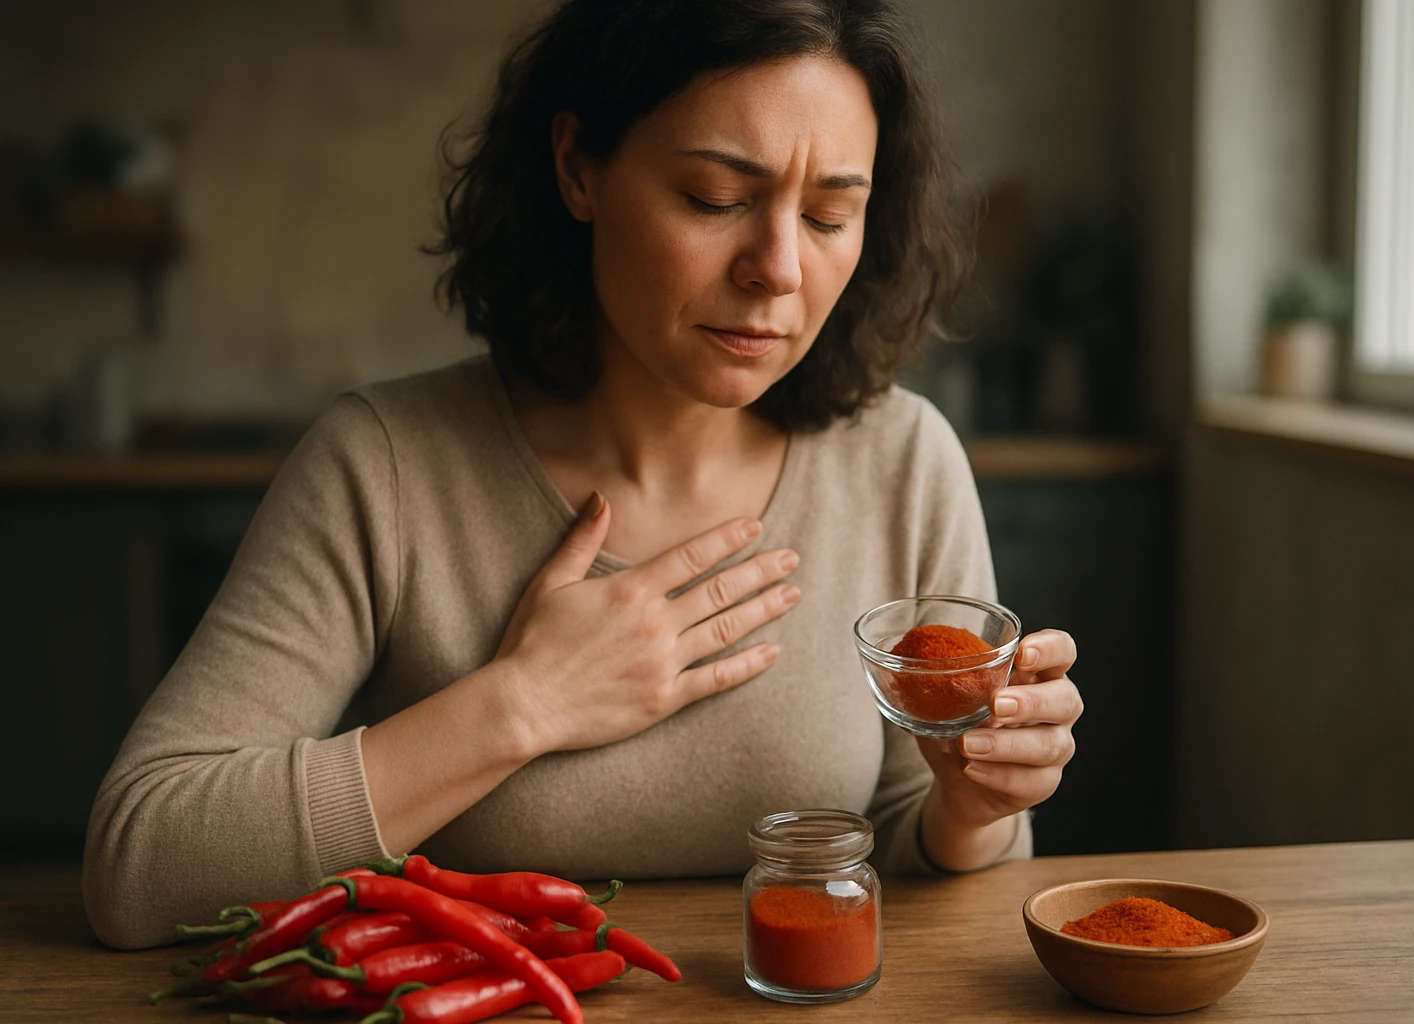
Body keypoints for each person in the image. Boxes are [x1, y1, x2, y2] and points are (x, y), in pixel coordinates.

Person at [84, 0, 1084, 949]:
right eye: (716, 197)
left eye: (829, 216)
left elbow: (932, 858)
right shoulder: (383, 464)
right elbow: (140, 863)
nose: (778, 266)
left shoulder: (903, 462)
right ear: (577, 166)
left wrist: (974, 806)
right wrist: (523, 705)